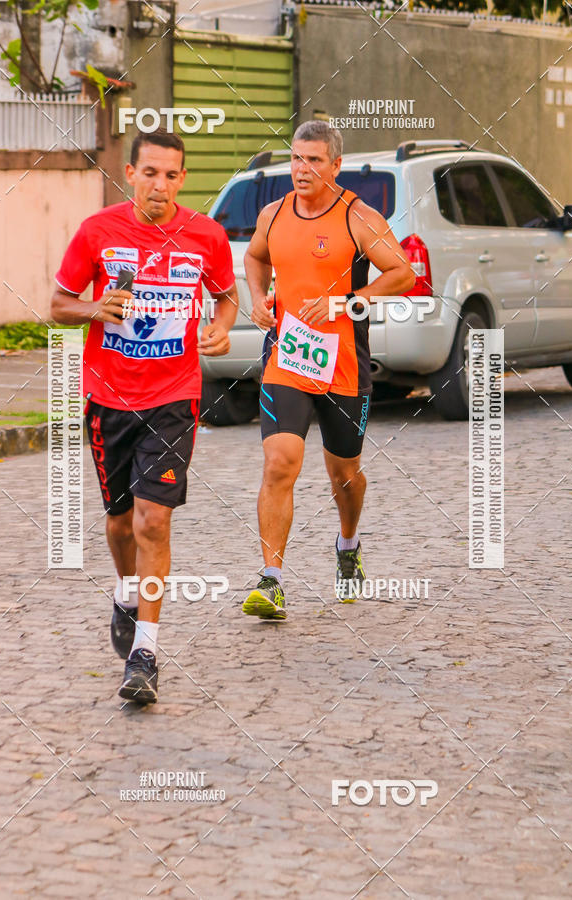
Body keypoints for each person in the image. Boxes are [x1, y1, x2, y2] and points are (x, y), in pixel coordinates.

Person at [51, 129, 238, 703]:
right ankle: (127, 591)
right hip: (108, 397)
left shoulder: (205, 236)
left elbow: (227, 295)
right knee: (119, 521)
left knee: (153, 522)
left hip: (174, 395)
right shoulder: (97, 232)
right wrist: (93, 307)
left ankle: (145, 654)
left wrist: (222, 328)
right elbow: (58, 307)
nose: (160, 184)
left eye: (171, 175)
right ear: (129, 173)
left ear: (183, 179)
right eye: (149, 172)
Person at [242, 119, 415, 618]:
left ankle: (348, 544)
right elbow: (255, 259)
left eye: (314, 160)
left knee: (345, 475)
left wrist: (345, 303)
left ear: (335, 165)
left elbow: (402, 272)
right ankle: (271, 580)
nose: (302, 169)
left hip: (343, 365)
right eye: (297, 158)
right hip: (286, 357)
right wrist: (257, 297)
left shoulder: (357, 217)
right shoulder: (273, 214)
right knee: (279, 464)